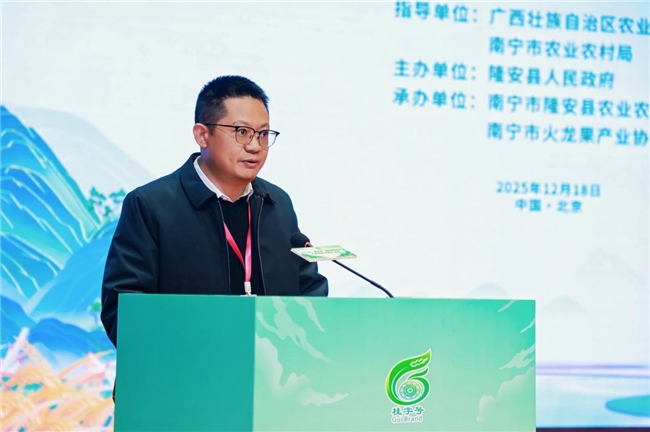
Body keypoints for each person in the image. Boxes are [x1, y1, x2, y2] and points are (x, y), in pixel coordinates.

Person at [100, 75, 328, 348]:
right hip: (185, 369)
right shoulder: (151, 205)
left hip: (271, 370)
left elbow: (308, 289)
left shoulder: (277, 203)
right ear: (202, 135)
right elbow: (123, 309)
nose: (255, 146)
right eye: (241, 132)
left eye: (263, 134)